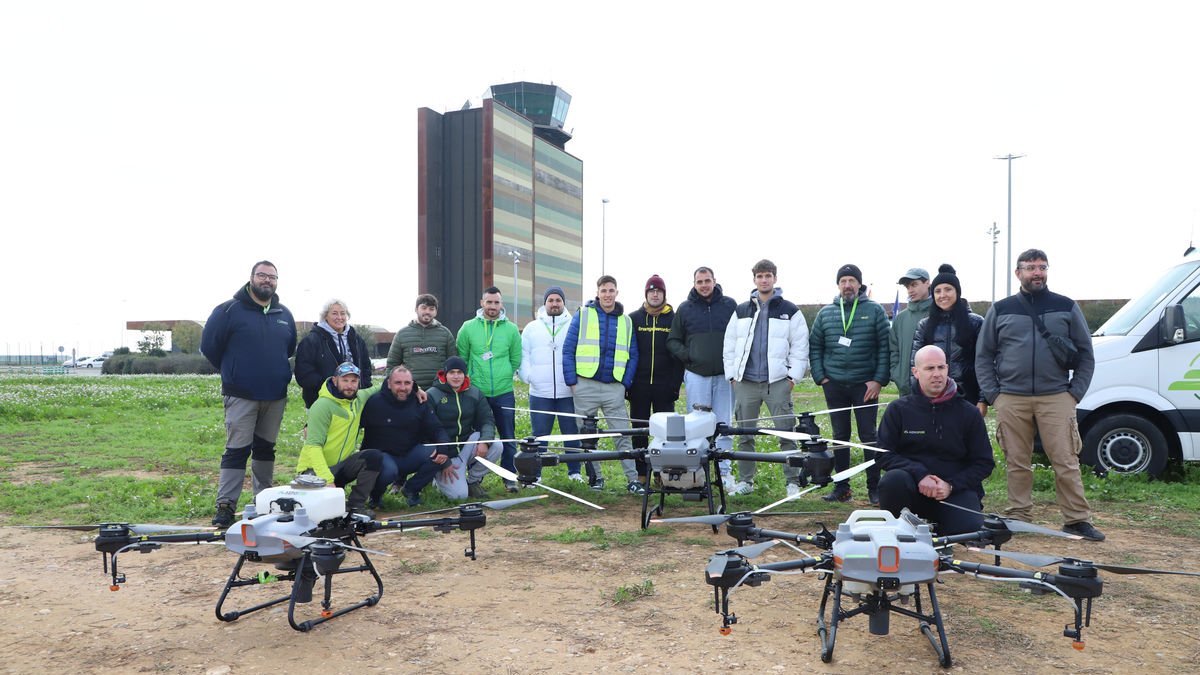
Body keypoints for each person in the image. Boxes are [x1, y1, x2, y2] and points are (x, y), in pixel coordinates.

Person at [976, 248, 1103, 541]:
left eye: (1042, 267)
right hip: (1011, 397)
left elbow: (1086, 354)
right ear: (1018, 273)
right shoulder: (1001, 309)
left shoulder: (1066, 306)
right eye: (1030, 267)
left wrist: (1075, 393)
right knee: (1017, 460)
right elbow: (983, 355)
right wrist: (995, 394)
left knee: (1066, 460)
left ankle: (1076, 519)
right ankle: (1019, 515)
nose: (1037, 272)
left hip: (1057, 396)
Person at [201, 260, 297, 527]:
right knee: (237, 450)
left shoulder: (284, 314)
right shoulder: (228, 311)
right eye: (262, 275)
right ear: (251, 278)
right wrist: (235, 371)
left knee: (265, 449)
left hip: (275, 395)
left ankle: (265, 501)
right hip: (241, 395)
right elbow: (210, 347)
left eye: (272, 277)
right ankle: (225, 506)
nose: (267, 280)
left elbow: (288, 349)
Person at [876, 346, 995, 534]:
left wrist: (951, 485)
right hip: (912, 487)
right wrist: (920, 474)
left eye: (941, 367)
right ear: (916, 372)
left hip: (953, 490)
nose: (937, 374)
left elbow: (984, 463)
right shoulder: (898, 409)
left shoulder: (969, 413)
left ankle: (940, 528)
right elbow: (883, 454)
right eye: (930, 368)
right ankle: (898, 529)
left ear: (948, 368)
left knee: (970, 531)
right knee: (893, 481)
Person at [722, 259, 810, 496]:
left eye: (768, 275)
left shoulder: (789, 311)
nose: (764, 280)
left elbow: (800, 347)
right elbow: (729, 345)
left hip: (777, 383)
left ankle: (792, 482)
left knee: (787, 435)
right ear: (754, 280)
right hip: (746, 383)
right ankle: (745, 482)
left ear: (775, 278)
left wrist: (792, 378)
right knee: (744, 436)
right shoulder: (741, 310)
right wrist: (733, 377)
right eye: (760, 276)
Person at [809, 263, 891, 505]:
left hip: (865, 386)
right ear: (838, 285)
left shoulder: (874, 311)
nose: (847, 285)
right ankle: (842, 487)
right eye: (843, 281)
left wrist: (878, 380)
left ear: (859, 284)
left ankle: (874, 488)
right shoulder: (826, 313)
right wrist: (821, 377)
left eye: (851, 281)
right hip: (834, 385)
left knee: (869, 437)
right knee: (839, 437)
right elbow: (816, 346)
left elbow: (884, 348)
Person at [563, 275, 641, 493]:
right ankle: (596, 478)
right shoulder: (583, 315)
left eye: (611, 290)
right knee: (588, 438)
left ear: (617, 292)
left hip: (613, 388)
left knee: (622, 435)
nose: (607, 294)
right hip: (585, 385)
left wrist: (625, 383)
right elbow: (568, 349)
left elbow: (633, 354)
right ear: (598, 293)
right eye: (604, 290)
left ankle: (632, 480)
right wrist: (572, 382)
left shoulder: (626, 321)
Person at [667, 266, 739, 490]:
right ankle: (697, 472)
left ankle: (724, 472)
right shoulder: (685, 308)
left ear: (715, 281)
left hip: (725, 377)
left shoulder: (729, 305)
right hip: (697, 375)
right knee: (697, 426)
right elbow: (673, 340)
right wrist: (689, 356)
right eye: (700, 282)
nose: (704, 285)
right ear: (694, 284)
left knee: (724, 423)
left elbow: (740, 336)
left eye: (707, 281)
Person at [294, 362, 385, 517]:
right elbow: (313, 447)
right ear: (335, 380)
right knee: (326, 514)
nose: (349, 386)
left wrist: (416, 389)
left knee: (373, 457)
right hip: (314, 472)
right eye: (345, 380)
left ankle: (356, 506)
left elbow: (379, 388)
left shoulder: (358, 399)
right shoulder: (322, 405)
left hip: (340, 468)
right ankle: (336, 499)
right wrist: (328, 480)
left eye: (354, 381)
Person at [519, 287, 588, 482]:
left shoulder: (574, 324)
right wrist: (528, 376)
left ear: (563, 303)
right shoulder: (532, 327)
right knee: (540, 435)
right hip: (540, 392)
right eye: (551, 300)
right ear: (545, 303)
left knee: (571, 434)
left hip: (568, 391)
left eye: (558, 300)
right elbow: (523, 355)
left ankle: (574, 472)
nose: (555, 303)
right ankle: (536, 474)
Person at [457, 287, 522, 491]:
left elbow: (515, 358)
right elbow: (463, 358)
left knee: (508, 437)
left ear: (501, 304)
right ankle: (476, 477)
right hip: (478, 393)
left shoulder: (511, 329)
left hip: (504, 392)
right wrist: (472, 381)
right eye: (489, 302)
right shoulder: (468, 328)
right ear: (482, 302)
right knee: (479, 437)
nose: (492, 306)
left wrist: (505, 374)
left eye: (496, 302)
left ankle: (509, 477)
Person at [359, 366, 451, 508]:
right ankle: (375, 497)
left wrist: (443, 447)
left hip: (409, 454)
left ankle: (411, 489)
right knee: (389, 471)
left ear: (413, 384)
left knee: (438, 452)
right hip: (383, 457)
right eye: (398, 383)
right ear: (389, 383)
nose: (403, 387)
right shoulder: (374, 402)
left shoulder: (419, 402)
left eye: (407, 383)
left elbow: (437, 429)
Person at [628, 274, 685, 481]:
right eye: (651, 291)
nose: (654, 294)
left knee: (664, 434)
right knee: (639, 431)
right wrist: (629, 383)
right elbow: (628, 351)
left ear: (664, 294)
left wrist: (675, 384)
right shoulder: (633, 318)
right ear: (646, 294)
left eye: (658, 291)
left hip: (665, 386)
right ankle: (642, 474)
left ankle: (662, 475)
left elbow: (679, 356)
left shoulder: (674, 318)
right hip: (639, 386)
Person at [426, 356, 504, 500]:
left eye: (460, 372)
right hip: (444, 453)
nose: (456, 376)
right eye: (452, 372)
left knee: (497, 446)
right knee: (459, 496)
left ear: (465, 374)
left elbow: (487, 419)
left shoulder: (474, 393)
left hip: (466, 445)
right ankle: (437, 479)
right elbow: (428, 430)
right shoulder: (432, 394)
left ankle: (472, 481)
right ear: (445, 374)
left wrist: (485, 442)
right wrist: (445, 462)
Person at [911, 265, 986, 413]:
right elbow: (915, 363)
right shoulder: (924, 325)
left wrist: (983, 399)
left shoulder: (976, 322)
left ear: (957, 292)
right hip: (933, 395)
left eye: (948, 289)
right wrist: (916, 394)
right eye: (937, 291)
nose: (942, 295)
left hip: (967, 396)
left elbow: (985, 361)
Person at [294, 298, 373, 409]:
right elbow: (304, 373)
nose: (339, 318)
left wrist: (364, 389)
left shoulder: (356, 340)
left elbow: (366, 367)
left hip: (353, 403)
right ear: (325, 316)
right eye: (334, 313)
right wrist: (332, 387)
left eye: (343, 313)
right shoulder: (311, 341)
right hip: (321, 402)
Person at [387, 294, 458, 390]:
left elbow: (453, 363)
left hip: (439, 391)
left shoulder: (445, 334)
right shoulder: (402, 334)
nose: (427, 312)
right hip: (411, 391)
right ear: (416, 309)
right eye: (423, 308)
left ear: (436, 312)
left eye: (431, 309)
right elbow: (392, 365)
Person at [889, 267, 931, 397]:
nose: (910, 290)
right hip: (906, 390)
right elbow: (893, 349)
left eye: (914, 285)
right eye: (908, 287)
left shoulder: (938, 313)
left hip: (934, 390)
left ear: (927, 283)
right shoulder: (901, 318)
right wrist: (898, 375)